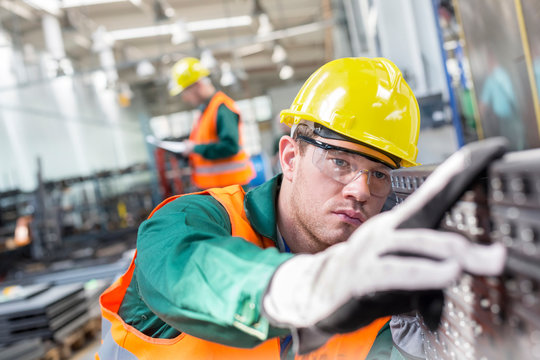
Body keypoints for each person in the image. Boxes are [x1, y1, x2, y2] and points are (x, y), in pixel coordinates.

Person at [98, 57, 506, 359]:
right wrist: (308, 288)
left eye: (380, 174)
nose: (361, 190)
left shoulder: (371, 291)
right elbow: (188, 273)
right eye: (340, 162)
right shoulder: (191, 222)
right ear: (290, 158)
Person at [148, 57, 255, 190]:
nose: (184, 98)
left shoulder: (222, 108)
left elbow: (230, 147)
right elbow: (205, 143)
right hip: (216, 188)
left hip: (230, 189)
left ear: (198, 85)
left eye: (185, 92)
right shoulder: (204, 111)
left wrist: (195, 149)